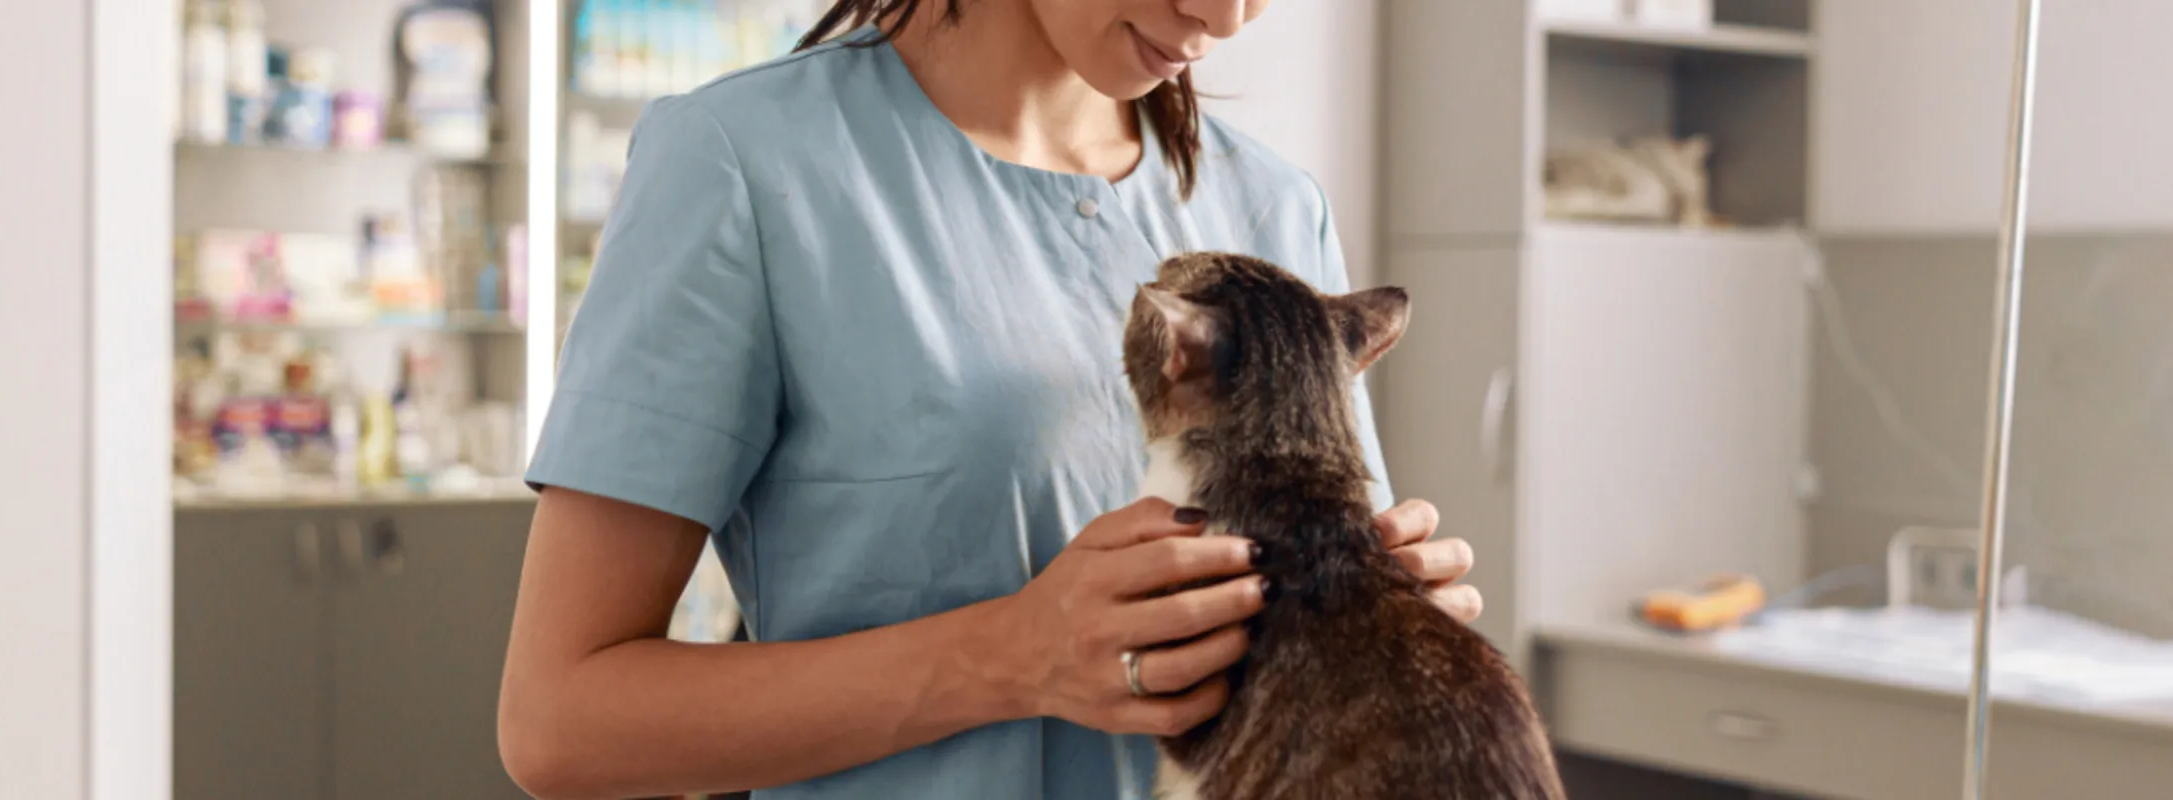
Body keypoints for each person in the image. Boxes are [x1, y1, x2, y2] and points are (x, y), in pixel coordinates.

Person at [494, 2, 1480, 798]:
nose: (1222, 16)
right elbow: (558, 723)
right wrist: (1013, 654)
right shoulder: (742, 163)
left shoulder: (1272, 206)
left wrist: (1392, 638)